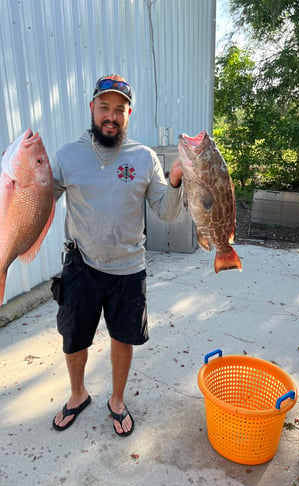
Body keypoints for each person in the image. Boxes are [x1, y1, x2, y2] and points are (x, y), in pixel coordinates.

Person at [51, 74, 183, 437]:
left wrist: (174, 181)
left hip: (129, 268)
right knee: (73, 338)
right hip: (81, 265)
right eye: (104, 107)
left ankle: (117, 400)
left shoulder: (144, 158)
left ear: (129, 114)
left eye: (119, 109)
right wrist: (18, 179)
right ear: (92, 108)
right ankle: (78, 394)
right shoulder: (67, 156)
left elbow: (167, 213)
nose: (111, 116)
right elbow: (39, 200)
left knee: (123, 337)